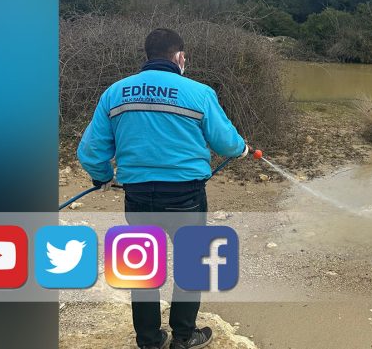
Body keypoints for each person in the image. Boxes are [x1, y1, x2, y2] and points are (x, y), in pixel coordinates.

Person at [77, 27, 249, 349]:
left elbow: (89, 151)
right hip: (186, 197)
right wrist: (241, 148)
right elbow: (226, 143)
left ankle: (149, 340)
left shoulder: (115, 93)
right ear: (180, 57)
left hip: (138, 196)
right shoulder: (199, 92)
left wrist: (101, 177)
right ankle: (184, 337)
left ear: (147, 56)